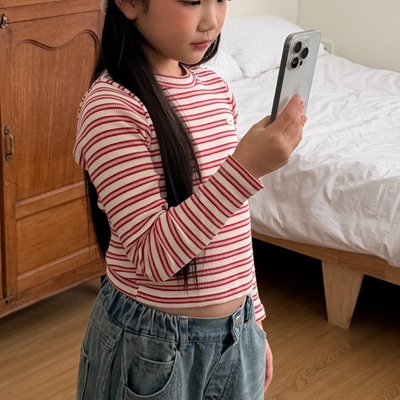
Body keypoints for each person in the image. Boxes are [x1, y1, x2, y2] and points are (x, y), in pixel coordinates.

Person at [73, 0, 305, 399]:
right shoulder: (112, 106)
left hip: (236, 335)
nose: (211, 21)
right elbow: (153, 257)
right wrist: (244, 169)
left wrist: (253, 321)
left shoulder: (217, 90)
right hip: (148, 346)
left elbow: (233, 229)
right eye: (192, 1)